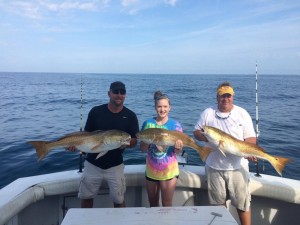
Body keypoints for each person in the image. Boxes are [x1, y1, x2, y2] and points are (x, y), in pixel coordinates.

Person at [193, 82, 256, 225]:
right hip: (214, 166)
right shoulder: (207, 113)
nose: (225, 99)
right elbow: (197, 131)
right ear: (217, 97)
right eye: (222, 96)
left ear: (233, 97)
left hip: (238, 167)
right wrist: (203, 136)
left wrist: (251, 151)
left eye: (228, 96)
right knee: (218, 205)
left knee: (242, 205)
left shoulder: (242, 113)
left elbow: (251, 138)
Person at [72, 81, 139, 208]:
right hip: (92, 163)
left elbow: (134, 140)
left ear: (125, 95)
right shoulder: (95, 111)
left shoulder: (130, 116)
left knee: (119, 200)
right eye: (116, 92)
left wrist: (127, 143)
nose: (119, 95)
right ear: (109, 93)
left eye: (122, 92)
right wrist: (74, 145)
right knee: (86, 198)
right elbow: (86, 135)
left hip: (116, 165)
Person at [139, 91, 183, 207]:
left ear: (170, 108)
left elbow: (176, 152)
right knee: (153, 203)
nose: (162, 109)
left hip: (169, 170)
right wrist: (146, 141)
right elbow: (142, 149)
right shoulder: (147, 124)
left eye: (165, 106)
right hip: (151, 171)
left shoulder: (175, 125)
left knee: (167, 203)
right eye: (159, 106)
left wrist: (178, 148)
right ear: (155, 107)